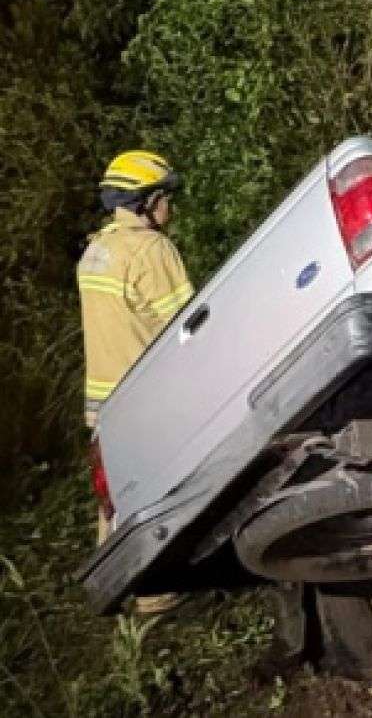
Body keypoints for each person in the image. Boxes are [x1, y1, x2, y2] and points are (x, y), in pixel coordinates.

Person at [77, 149, 193, 614]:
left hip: (102, 399)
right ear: (146, 201)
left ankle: (110, 583)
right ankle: (153, 591)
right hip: (144, 393)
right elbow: (186, 327)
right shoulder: (152, 251)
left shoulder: (97, 251)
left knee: (114, 495)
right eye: (165, 198)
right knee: (156, 493)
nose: (169, 207)